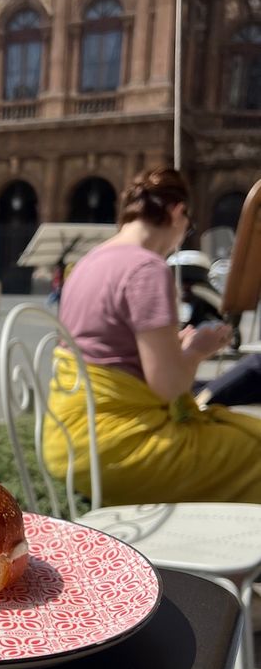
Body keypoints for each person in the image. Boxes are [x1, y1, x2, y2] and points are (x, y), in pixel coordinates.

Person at [44, 166, 261, 505]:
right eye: (187, 228)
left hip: (68, 442)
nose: (182, 236)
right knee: (253, 448)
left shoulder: (86, 262)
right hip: (118, 448)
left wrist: (176, 349)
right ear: (177, 213)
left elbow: (108, 351)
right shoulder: (147, 269)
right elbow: (170, 387)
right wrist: (197, 350)